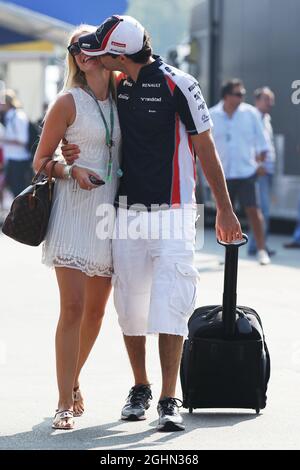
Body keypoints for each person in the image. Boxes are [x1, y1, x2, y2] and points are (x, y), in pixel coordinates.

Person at [62, 15, 242, 432]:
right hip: (124, 212)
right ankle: (140, 386)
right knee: (130, 307)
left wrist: (226, 209)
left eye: (103, 49)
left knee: (171, 302)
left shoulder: (181, 83)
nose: (99, 55)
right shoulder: (117, 84)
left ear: (119, 53)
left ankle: (167, 396)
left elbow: (206, 147)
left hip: (176, 212)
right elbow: (84, 115)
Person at [33, 24, 121, 430]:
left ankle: (74, 379)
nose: (83, 51)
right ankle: (63, 401)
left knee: (96, 313)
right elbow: (40, 162)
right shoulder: (67, 101)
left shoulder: (125, 95)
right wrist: (71, 170)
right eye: (76, 47)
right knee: (72, 307)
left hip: (109, 214)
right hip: (73, 209)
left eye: (91, 44)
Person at [209, 79, 271, 265]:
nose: (242, 96)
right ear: (227, 96)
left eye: (243, 93)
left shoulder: (250, 113)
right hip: (223, 174)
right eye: (238, 93)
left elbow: (262, 142)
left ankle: (262, 250)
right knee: (225, 213)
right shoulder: (212, 115)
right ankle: (226, 252)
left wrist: (260, 162)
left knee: (253, 211)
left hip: (246, 173)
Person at [248, 87, 276, 256]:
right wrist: (258, 165)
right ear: (257, 101)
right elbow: (250, 144)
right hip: (260, 171)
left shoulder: (267, 119)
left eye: (271, 99)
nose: (270, 103)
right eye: (266, 99)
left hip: (268, 170)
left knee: (264, 209)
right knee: (262, 210)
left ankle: (258, 244)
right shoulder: (253, 118)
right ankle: (259, 246)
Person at [0, 90, 31, 197]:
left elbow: (23, 139)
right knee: (12, 190)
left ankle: (20, 213)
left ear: (7, 102)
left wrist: (4, 139)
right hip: (11, 159)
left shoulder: (18, 116)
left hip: (19, 160)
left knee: (19, 191)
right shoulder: (9, 117)